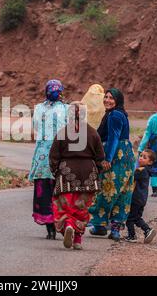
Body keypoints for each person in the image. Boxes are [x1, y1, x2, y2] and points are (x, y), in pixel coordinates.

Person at [49, 102, 105, 249]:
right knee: (82, 208)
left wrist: (56, 171)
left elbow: (54, 155)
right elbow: (100, 157)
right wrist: (97, 173)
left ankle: (68, 225)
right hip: (88, 173)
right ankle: (78, 239)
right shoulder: (93, 132)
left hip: (67, 173)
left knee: (63, 204)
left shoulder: (63, 132)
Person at [88, 88, 136, 242]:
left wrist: (107, 159)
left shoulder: (114, 115)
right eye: (106, 97)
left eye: (111, 98)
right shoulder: (121, 114)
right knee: (122, 192)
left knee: (106, 190)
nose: (107, 100)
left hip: (117, 156)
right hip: (127, 156)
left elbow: (114, 138)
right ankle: (115, 228)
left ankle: (100, 225)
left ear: (118, 101)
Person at [29, 79, 68, 239]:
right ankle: (64, 224)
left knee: (44, 191)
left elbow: (36, 128)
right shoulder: (67, 109)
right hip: (62, 154)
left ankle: (51, 228)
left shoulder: (38, 108)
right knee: (62, 190)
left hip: (43, 156)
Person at [125, 149, 157, 243]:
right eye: (141, 156)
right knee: (137, 217)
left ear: (150, 162)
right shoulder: (147, 171)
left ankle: (132, 236)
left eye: (144, 157)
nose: (141, 158)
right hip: (142, 199)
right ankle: (147, 230)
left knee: (130, 218)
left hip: (136, 198)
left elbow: (130, 178)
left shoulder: (140, 171)